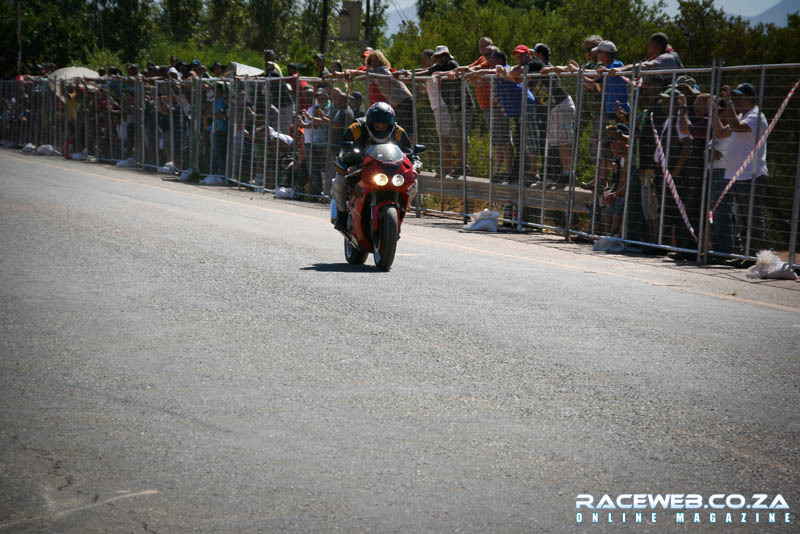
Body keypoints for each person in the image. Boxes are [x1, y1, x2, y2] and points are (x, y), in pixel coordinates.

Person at [331, 102, 418, 231]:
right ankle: (342, 214)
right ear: (370, 123)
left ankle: (400, 211)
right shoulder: (356, 128)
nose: (380, 128)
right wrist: (348, 163)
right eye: (377, 125)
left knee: (413, 183)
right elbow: (344, 151)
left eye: (384, 126)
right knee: (339, 180)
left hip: (390, 170)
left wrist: (415, 167)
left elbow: (411, 154)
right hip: (361, 168)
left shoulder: (398, 132)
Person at [719, 82, 768, 254]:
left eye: (740, 97)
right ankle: (744, 253)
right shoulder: (741, 114)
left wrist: (729, 103)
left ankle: (753, 254)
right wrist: (713, 112)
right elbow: (721, 132)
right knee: (742, 216)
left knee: (752, 217)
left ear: (752, 98)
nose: (737, 100)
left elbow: (736, 127)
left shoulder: (756, 116)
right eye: (735, 96)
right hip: (738, 175)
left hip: (751, 174)